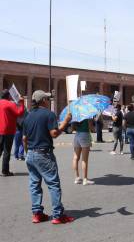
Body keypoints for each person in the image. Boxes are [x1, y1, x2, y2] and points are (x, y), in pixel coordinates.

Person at [23, 90, 74, 224]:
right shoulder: (49, 114)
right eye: (47, 98)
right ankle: (57, 215)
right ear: (43, 101)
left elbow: (24, 138)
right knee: (53, 184)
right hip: (43, 153)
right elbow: (54, 134)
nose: (49, 100)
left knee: (34, 184)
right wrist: (66, 122)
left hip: (31, 154)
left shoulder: (27, 116)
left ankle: (37, 213)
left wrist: (28, 152)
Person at [0, 89, 25, 176]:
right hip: (8, 131)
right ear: (8, 96)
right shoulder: (10, 104)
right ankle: (5, 171)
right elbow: (19, 112)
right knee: (7, 151)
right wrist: (21, 102)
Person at [72, 119, 94, 185]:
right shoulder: (87, 115)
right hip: (85, 134)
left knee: (75, 158)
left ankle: (77, 178)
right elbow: (91, 127)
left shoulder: (76, 115)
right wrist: (93, 128)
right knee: (84, 159)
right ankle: (85, 179)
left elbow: (73, 128)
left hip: (77, 135)